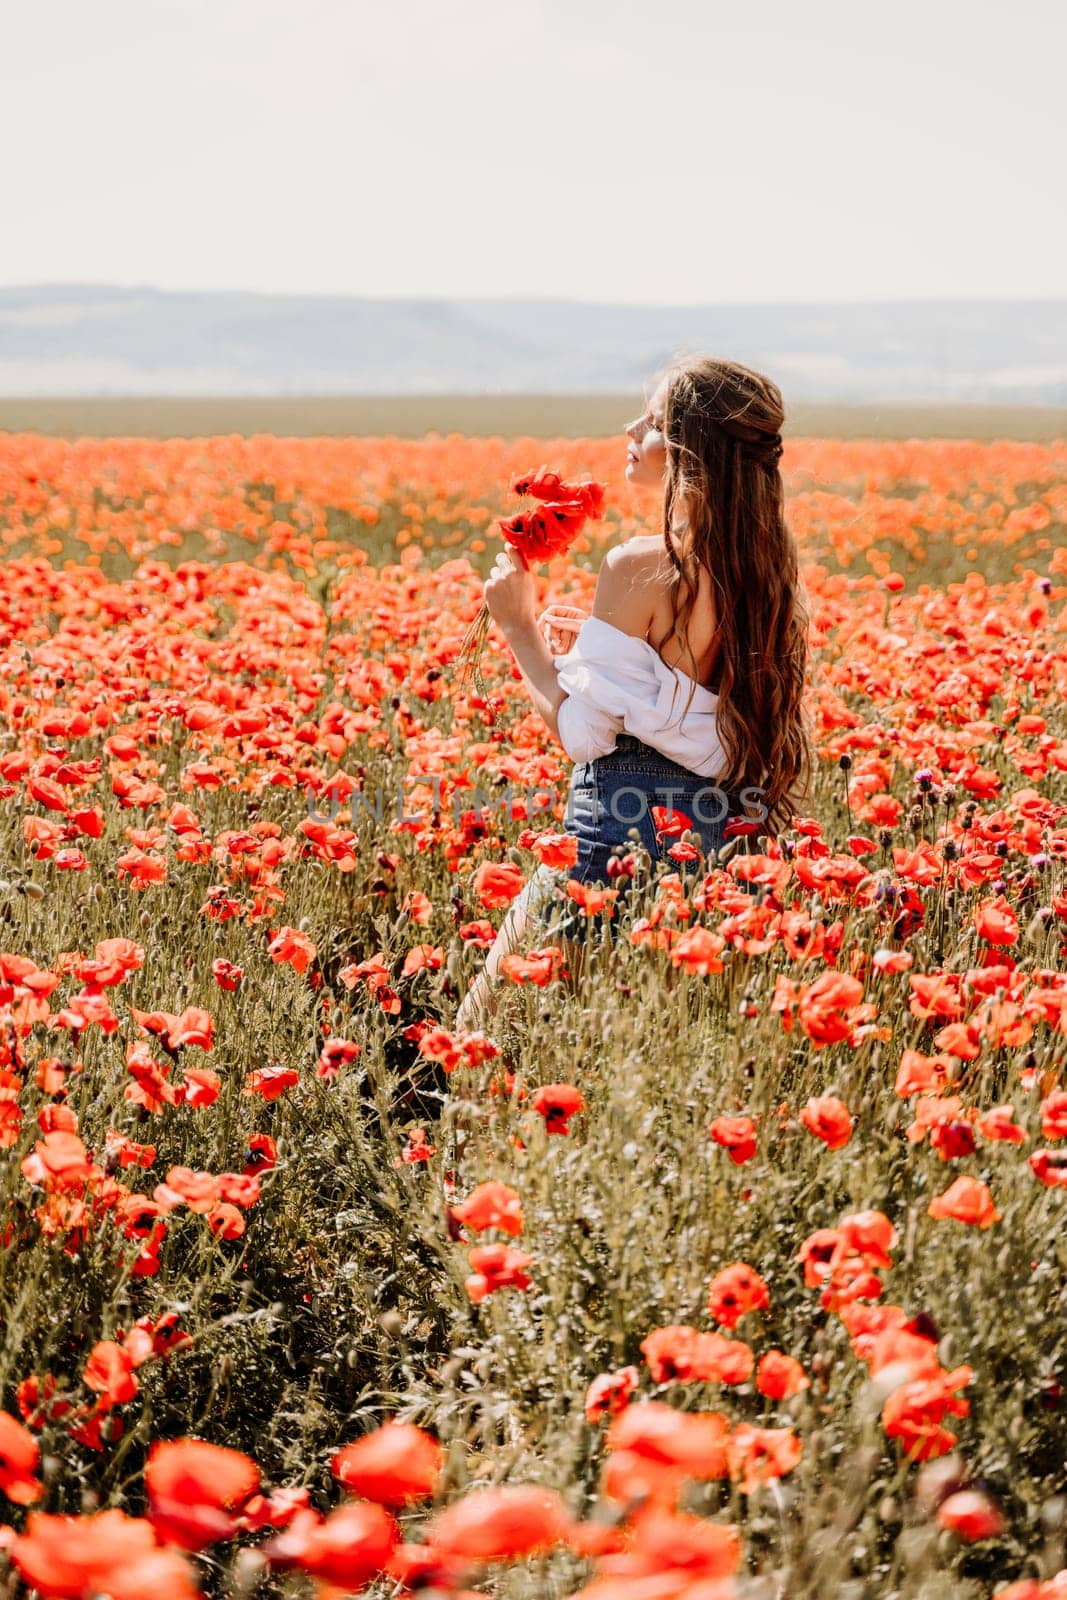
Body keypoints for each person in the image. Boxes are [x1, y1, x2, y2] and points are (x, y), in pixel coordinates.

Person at [454, 355, 814, 1031]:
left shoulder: (642, 565)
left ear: (686, 448)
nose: (631, 427)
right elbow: (676, 711)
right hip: (700, 856)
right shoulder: (766, 576)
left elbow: (583, 737)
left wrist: (518, 627)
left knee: (480, 1042)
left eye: (651, 420)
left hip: (605, 844)